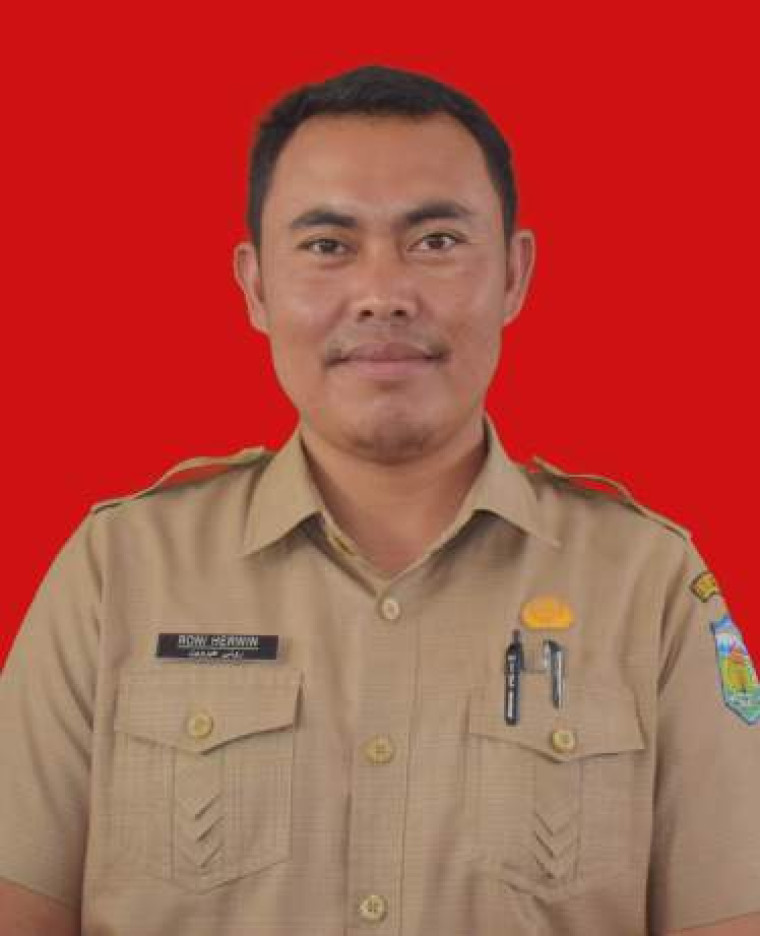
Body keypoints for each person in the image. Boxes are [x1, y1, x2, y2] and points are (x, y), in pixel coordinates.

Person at [1, 65, 759, 936]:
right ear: (255, 285)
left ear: (515, 275)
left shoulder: (649, 583)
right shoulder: (120, 568)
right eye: (328, 245)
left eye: (435, 241)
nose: (383, 294)